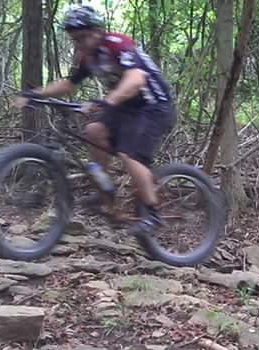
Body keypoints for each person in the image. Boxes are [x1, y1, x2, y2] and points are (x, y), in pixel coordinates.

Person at [13, 5, 174, 238]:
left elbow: (136, 79)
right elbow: (69, 84)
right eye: (74, 39)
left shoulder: (117, 44)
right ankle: (104, 190)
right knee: (94, 131)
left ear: (97, 31)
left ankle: (153, 213)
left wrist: (108, 100)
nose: (78, 43)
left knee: (130, 155)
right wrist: (35, 94)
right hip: (126, 105)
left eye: (82, 37)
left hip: (153, 105)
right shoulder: (88, 57)